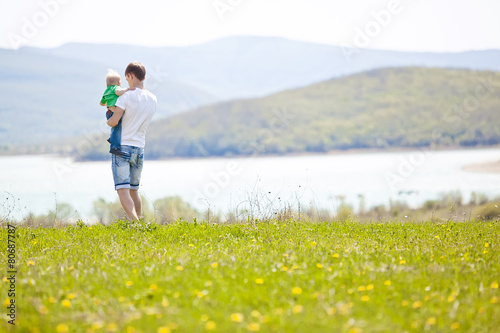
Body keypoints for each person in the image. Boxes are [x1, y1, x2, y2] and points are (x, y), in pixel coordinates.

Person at [107, 62, 157, 221]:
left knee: (122, 189)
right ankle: (140, 220)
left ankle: (135, 223)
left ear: (130, 76)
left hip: (122, 147)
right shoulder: (153, 99)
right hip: (139, 148)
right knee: (134, 190)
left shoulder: (126, 96)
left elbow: (114, 121)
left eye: (126, 78)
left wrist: (108, 118)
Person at [100, 69, 134, 155]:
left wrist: (109, 102)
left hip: (108, 112)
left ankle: (112, 138)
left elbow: (101, 103)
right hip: (115, 112)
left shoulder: (106, 91)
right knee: (117, 128)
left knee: (115, 128)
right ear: (119, 82)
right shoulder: (116, 88)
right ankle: (115, 147)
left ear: (107, 84)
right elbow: (119, 92)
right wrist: (127, 89)